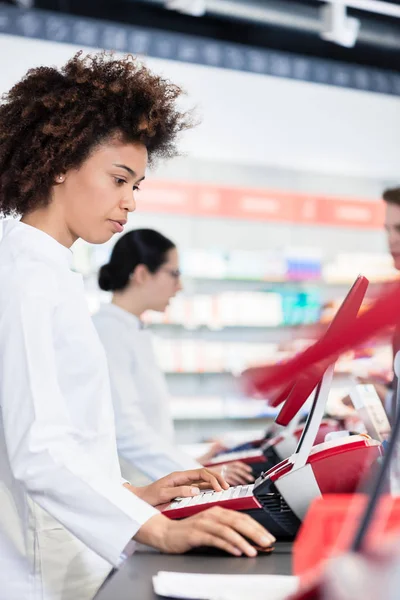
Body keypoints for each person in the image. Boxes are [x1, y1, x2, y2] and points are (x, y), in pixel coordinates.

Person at [0, 52, 275, 600]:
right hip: (41, 565)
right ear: (60, 161)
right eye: (119, 179)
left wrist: (134, 493)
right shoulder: (24, 273)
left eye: (137, 185)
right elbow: (37, 449)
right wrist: (161, 532)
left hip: (72, 548)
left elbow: (71, 438)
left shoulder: (50, 268)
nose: (129, 202)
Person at [93, 228, 255, 486]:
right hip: (133, 490)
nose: (179, 286)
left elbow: (149, 427)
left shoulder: (132, 329)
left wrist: (195, 462)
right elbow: (126, 431)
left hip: (151, 481)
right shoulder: (107, 332)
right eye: (174, 274)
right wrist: (195, 471)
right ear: (142, 274)